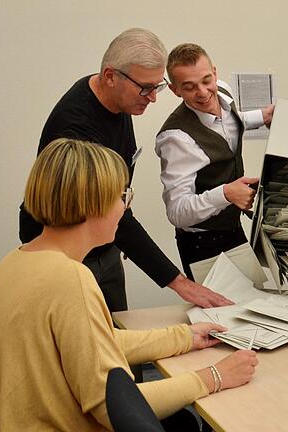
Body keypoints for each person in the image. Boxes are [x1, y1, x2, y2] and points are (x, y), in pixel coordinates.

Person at [0, 139, 259, 431]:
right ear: (92, 202)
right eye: (121, 196)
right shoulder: (69, 279)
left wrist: (185, 338)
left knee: (180, 421)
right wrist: (214, 377)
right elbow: (112, 407)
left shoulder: (18, 261)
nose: (124, 207)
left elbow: (97, 344)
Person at [18, 28, 231, 311]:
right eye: (145, 88)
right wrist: (180, 283)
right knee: (97, 348)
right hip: (70, 257)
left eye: (157, 86)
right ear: (110, 76)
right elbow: (114, 212)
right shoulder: (74, 131)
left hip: (103, 244)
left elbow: (116, 204)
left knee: (118, 336)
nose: (153, 98)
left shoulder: (116, 100)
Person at [156, 43, 274, 280]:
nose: (202, 92)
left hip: (233, 227)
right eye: (189, 87)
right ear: (174, 89)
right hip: (201, 242)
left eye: (206, 80)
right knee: (218, 312)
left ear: (215, 73)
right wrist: (226, 194)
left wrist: (261, 117)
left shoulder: (223, 91)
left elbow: (229, 122)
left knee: (255, 300)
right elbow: (177, 212)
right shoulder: (176, 139)